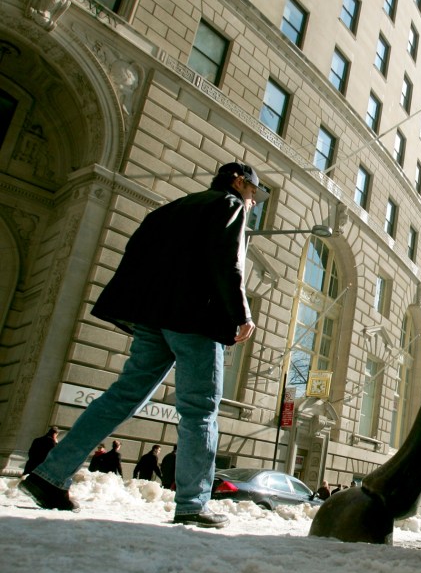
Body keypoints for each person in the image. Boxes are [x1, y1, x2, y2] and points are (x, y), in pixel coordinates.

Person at [18, 162, 259, 529]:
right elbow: (228, 264)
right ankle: (193, 503)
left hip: (151, 319)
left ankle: (50, 474)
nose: (253, 199)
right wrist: (241, 314)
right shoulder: (229, 205)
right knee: (199, 411)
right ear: (238, 182)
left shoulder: (171, 208)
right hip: (195, 320)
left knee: (121, 396)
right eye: (253, 191)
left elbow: (135, 255)